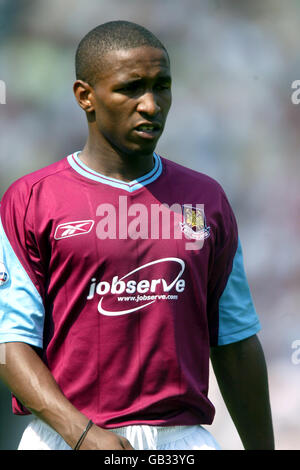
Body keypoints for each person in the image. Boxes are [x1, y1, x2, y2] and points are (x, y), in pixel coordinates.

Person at [0, 20, 274, 451]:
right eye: (131, 88)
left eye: (161, 86)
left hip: (181, 441)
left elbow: (235, 340)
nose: (151, 104)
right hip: (65, 437)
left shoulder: (206, 200)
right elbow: (9, 342)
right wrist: (80, 433)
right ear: (84, 96)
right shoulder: (31, 200)